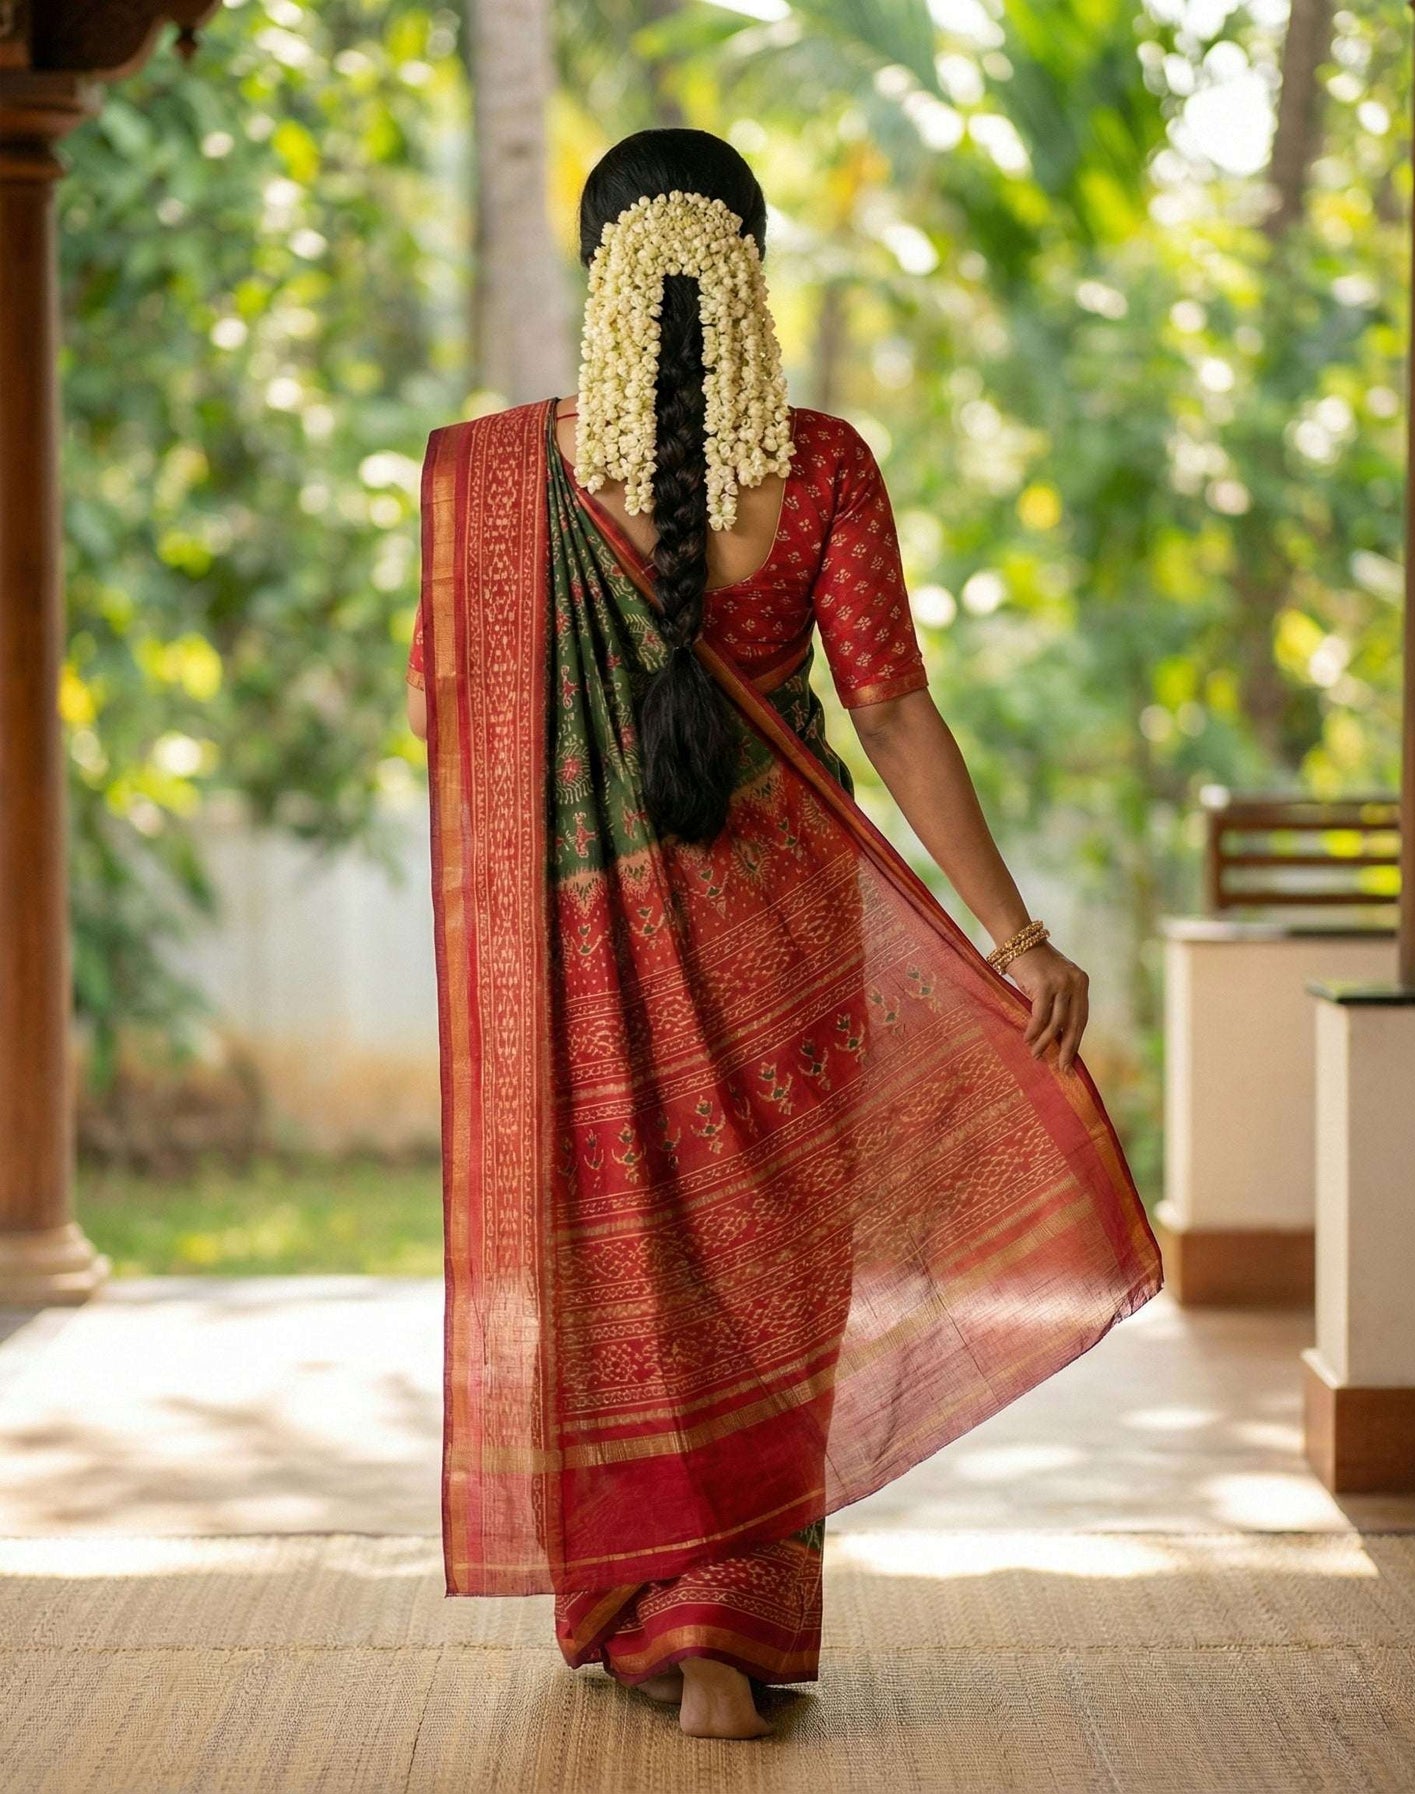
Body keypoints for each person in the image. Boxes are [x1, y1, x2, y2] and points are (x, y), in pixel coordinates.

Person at [405, 127, 1162, 1742]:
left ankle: (650, 1603)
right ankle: (726, 1626)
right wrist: (1012, 933)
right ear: (745, 268)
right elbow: (888, 707)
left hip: (594, 949)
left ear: (606, 275)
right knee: (768, 1273)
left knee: (627, 1261)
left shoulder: (510, 478)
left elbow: (464, 736)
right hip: (788, 942)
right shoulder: (819, 466)